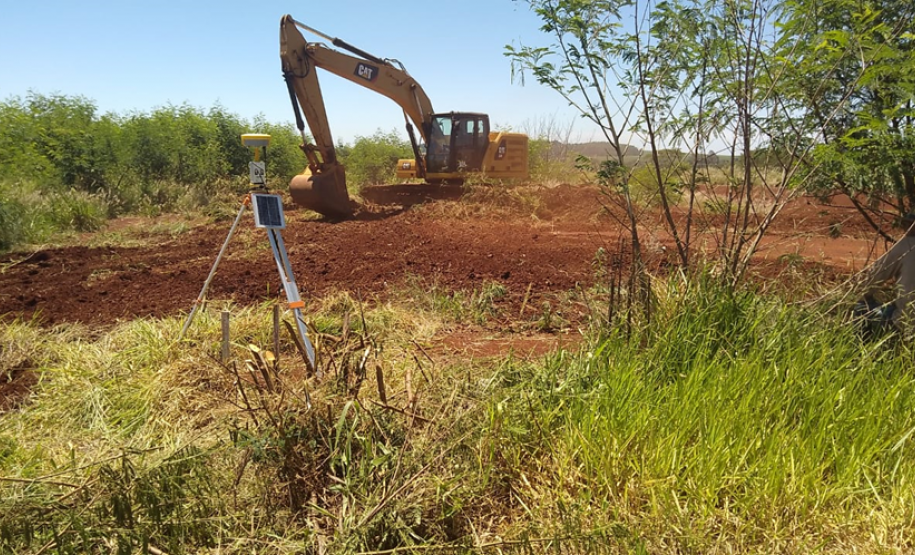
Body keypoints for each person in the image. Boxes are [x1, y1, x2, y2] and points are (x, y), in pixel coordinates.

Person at [856, 213, 915, 331]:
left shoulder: (905, 245)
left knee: (860, 309)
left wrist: (861, 296)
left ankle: (867, 347)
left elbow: (874, 277)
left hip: (908, 322)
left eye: (908, 224)